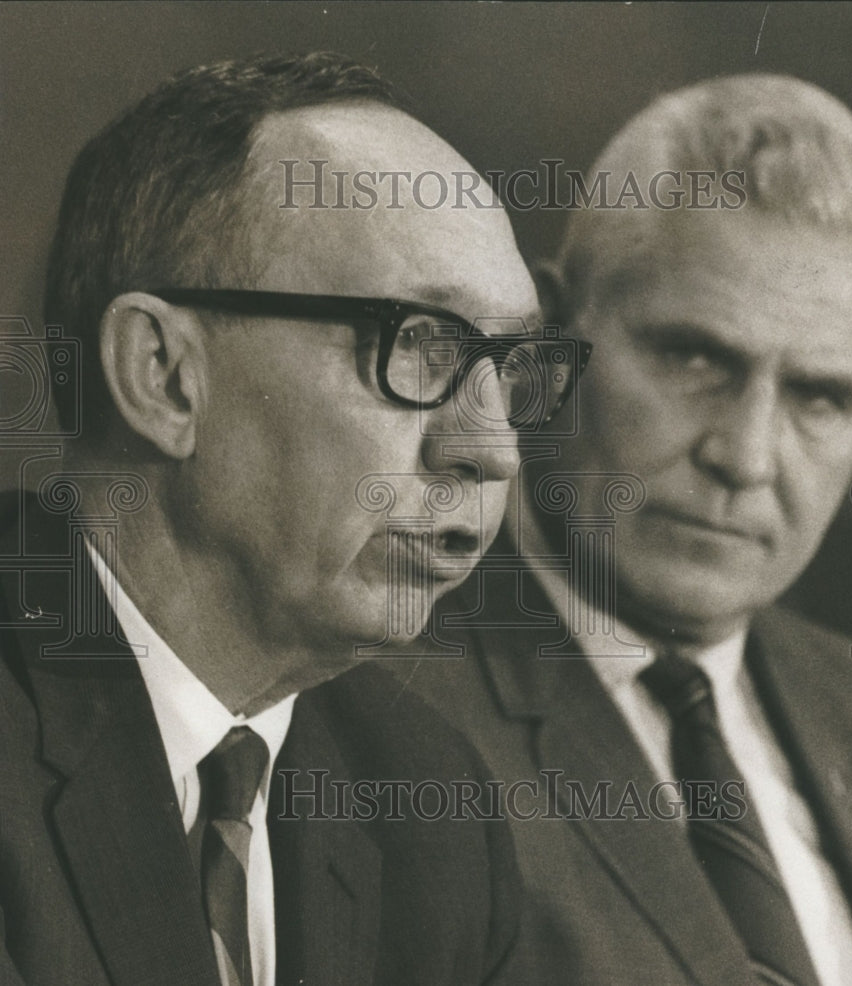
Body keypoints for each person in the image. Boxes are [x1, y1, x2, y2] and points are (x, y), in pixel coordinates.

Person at [0, 51, 585, 986]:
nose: (494, 450)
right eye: (421, 346)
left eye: (512, 370)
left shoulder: (428, 805)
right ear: (163, 375)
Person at [410, 74, 852, 985]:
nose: (744, 457)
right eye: (694, 358)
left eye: (821, 397)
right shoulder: (387, 708)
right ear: (548, 338)